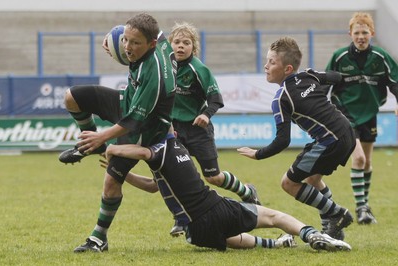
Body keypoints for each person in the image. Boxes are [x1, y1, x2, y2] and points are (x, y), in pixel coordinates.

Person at [97, 130, 352, 252]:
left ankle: (275, 244)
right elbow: (144, 157)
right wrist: (112, 150)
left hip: (195, 232)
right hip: (215, 209)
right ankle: (313, 235)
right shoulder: (171, 148)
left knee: (229, 237)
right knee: (276, 217)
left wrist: (121, 168)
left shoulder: (162, 152)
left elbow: (153, 185)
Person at [57, 13, 178, 252]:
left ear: (151, 44)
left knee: (111, 182)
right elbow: (141, 28)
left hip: (144, 129)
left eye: (134, 43)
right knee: (72, 97)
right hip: (127, 102)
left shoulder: (154, 76)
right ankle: (89, 146)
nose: (127, 48)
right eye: (125, 40)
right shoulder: (158, 39)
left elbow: (133, 121)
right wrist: (112, 37)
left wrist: (102, 136)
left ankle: (98, 238)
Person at [237, 37, 355, 240]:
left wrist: (258, 154)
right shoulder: (309, 75)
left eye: (272, 62)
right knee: (313, 179)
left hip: (330, 140)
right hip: (347, 132)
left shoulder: (282, 98)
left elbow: (283, 140)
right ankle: (332, 228)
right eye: (267, 61)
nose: (266, 66)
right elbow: (336, 77)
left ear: (287, 68)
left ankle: (337, 213)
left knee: (288, 183)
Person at [167, 22, 261, 235]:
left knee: (213, 177)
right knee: (180, 175)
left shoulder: (199, 69)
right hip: (175, 131)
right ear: (170, 44)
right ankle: (181, 219)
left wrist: (205, 115)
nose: (180, 46)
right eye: (177, 42)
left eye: (186, 43)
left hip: (199, 130)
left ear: (194, 47)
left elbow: (216, 99)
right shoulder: (165, 68)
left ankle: (247, 191)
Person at [325, 12, 398, 225]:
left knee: (367, 162)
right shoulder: (339, 57)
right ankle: (361, 208)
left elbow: (394, 82)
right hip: (344, 114)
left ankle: (365, 204)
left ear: (371, 33)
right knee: (358, 159)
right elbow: (325, 83)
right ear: (350, 34)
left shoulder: (381, 57)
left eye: (364, 32)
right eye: (356, 32)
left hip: (369, 114)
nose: (361, 36)